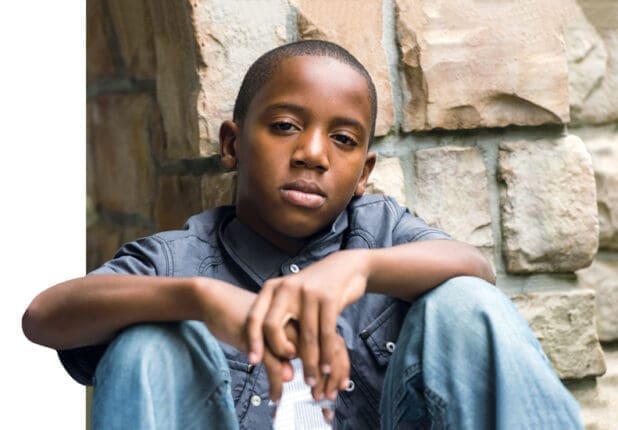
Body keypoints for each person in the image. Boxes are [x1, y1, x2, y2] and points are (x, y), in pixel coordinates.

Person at [22, 40, 583, 429]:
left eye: (342, 140)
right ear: (233, 145)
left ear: (364, 173)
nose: (312, 153)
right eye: (285, 126)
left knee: (465, 300)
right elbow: (44, 317)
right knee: (152, 336)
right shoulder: (181, 257)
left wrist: (358, 268)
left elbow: (475, 268)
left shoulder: (380, 233)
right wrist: (200, 299)